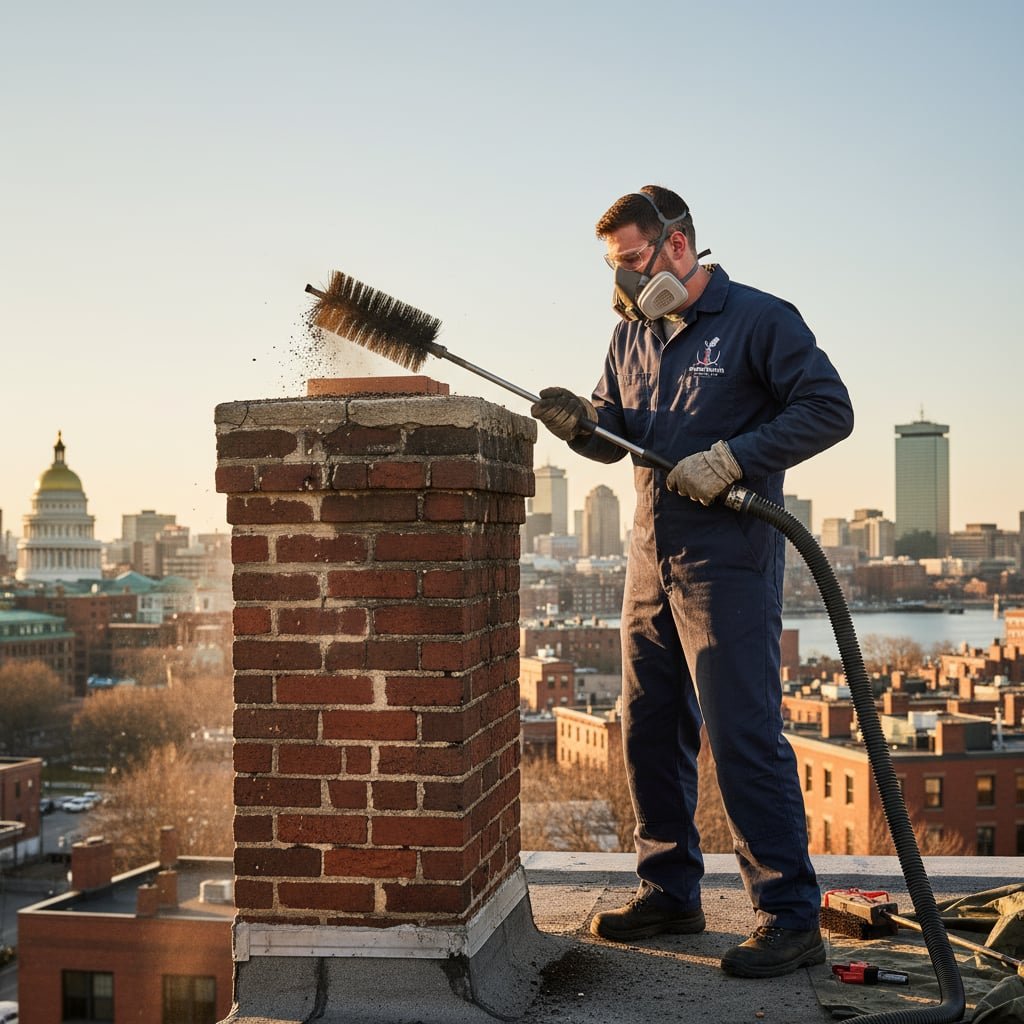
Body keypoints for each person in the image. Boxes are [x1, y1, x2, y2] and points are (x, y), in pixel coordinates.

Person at [531, 185, 854, 979]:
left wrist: (737, 457)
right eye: (615, 267)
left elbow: (829, 408)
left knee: (742, 733)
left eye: (634, 261)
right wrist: (581, 425)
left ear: (678, 247)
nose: (626, 282)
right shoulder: (629, 338)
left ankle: (788, 914)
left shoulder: (759, 319)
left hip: (728, 564)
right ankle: (670, 892)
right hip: (649, 556)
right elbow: (618, 430)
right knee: (646, 727)